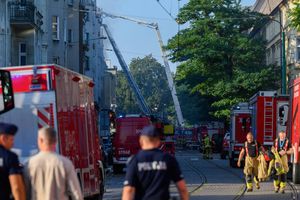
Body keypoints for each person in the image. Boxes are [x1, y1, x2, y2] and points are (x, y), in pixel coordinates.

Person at [122, 125, 189, 200]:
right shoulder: (168, 159)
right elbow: (182, 188)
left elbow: (128, 190)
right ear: (158, 141)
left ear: (141, 140)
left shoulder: (134, 161)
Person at [24, 127, 83, 200]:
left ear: (41, 140)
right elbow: (76, 193)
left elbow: (25, 191)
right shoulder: (65, 163)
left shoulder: (29, 164)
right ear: (55, 141)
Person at [0, 122, 26, 200]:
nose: (13, 143)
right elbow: (16, 187)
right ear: (4, 138)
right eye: (11, 139)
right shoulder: (9, 157)